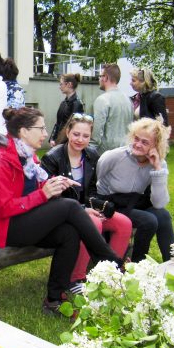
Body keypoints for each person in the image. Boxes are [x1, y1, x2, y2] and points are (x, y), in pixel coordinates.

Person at [0, 107, 122, 314]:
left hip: (24, 222)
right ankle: (110, 260)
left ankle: (54, 299)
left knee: (69, 233)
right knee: (70, 206)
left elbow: (34, 190)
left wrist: (54, 185)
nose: (46, 134)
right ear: (24, 131)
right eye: (41, 128)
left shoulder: (29, 156)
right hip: (4, 228)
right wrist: (43, 194)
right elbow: (1, 209)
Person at [41, 114, 132, 291]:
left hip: (84, 210)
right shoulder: (52, 158)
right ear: (68, 132)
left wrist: (95, 207)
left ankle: (110, 274)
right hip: (60, 212)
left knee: (124, 223)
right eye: (76, 134)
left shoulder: (91, 155)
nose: (80, 140)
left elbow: (91, 190)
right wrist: (83, 210)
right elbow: (50, 197)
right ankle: (75, 279)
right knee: (93, 223)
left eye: (85, 136)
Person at [96, 118, 174, 262]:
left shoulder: (159, 163)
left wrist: (157, 169)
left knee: (163, 215)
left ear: (156, 145)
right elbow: (95, 183)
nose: (137, 144)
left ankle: (172, 263)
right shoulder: (113, 157)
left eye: (145, 142)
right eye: (136, 138)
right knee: (148, 220)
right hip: (110, 204)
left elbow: (159, 203)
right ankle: (137, 264)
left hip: (134, 202)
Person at [90, 63, 134, 154]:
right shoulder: (128, 100)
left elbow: (97, 134)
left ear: (105, 78)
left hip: (107, 154)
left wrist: (89, 151)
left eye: (100, 76)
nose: (99, 79)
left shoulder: (102, 100)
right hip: (126, 151)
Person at [49, 73, 84, 147]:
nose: (60, 87)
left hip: (68, 143)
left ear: (69, 84)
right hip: (59, 142)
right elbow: (58, 123)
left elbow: (74, 127)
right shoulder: (63, 103)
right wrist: (52, 138)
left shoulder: (77, 104)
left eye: (61, 84)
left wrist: (60, 142)